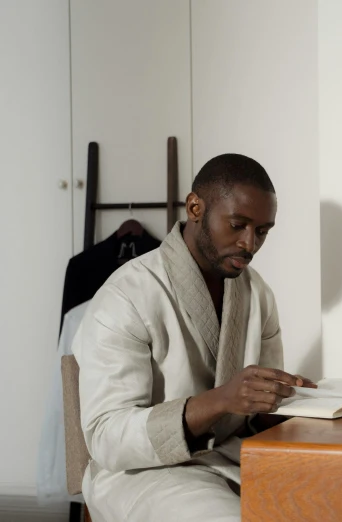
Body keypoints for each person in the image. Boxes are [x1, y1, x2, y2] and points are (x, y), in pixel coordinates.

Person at [72, 153, 316, 521]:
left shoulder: (257, 294)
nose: (250, 244)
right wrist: (221, 400)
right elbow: (107, 437)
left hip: (235, 456)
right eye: (238, 225)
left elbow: (256, 416)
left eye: (263, 231)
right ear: (195, 207)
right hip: (143, 473)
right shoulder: (126, 294)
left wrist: (289, 401)